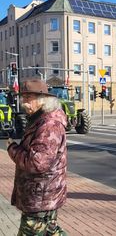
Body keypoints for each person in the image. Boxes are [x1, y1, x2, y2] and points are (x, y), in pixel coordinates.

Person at [6, 79, 68, 235]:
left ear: (42, 100)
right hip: (43, 194)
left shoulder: (49, 125)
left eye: (28, 98)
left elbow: (37, 163)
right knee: (50, 232)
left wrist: (12, 148)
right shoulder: (39, 119)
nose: (24, 103)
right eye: (23, 98)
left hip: (41, 196)